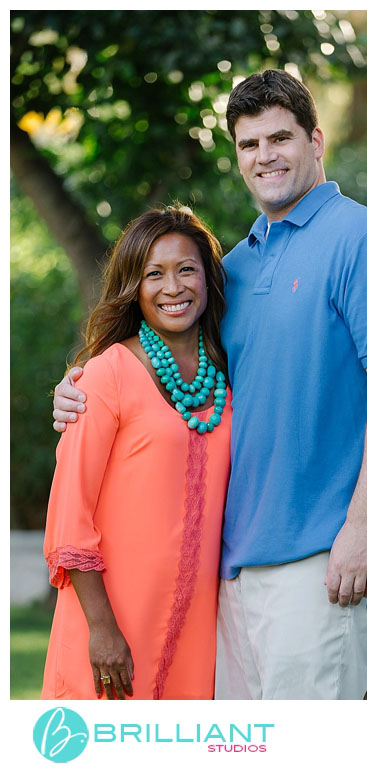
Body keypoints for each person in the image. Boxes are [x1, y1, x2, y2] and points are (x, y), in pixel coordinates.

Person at [53, 69, 367, 699]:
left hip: (324, 562)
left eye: (280, 138)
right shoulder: (234, 269)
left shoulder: (362, 240)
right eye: (250, 144)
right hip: (232, 570)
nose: (265, 156)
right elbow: (172, 364)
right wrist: (76, 388)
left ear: (316, 140)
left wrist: (361, 526)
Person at [43, 207, 231, 700]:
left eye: (186, 269)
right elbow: (70, 514)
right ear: (134, 285)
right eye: (154, 273)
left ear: (208, 279)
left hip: (198, 631)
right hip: (109, 628)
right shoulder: (107, 375)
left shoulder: (227, 378)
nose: (173, 287)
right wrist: (102, 631)